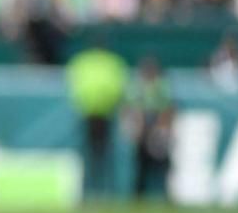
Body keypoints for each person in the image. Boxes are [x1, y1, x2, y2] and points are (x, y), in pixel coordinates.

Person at [65, 42, 128, 200]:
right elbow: (119, 87)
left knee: (94, 156)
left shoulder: (83, 61)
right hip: (101, 112)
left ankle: (95, 191)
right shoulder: (113, 62)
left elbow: (74, 84)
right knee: (99, 156)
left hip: (93, 112)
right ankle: (99, 192)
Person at [127, 57, 175, 202]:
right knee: (141, 164)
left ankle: (166, 194)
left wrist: (162, 128)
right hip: (144, 128)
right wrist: (136, 129)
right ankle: (138, 195)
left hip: (156, 127)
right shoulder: (138, 87)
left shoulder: (161, 86)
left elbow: (167, 109)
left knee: (163, 164)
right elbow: (134, 110)